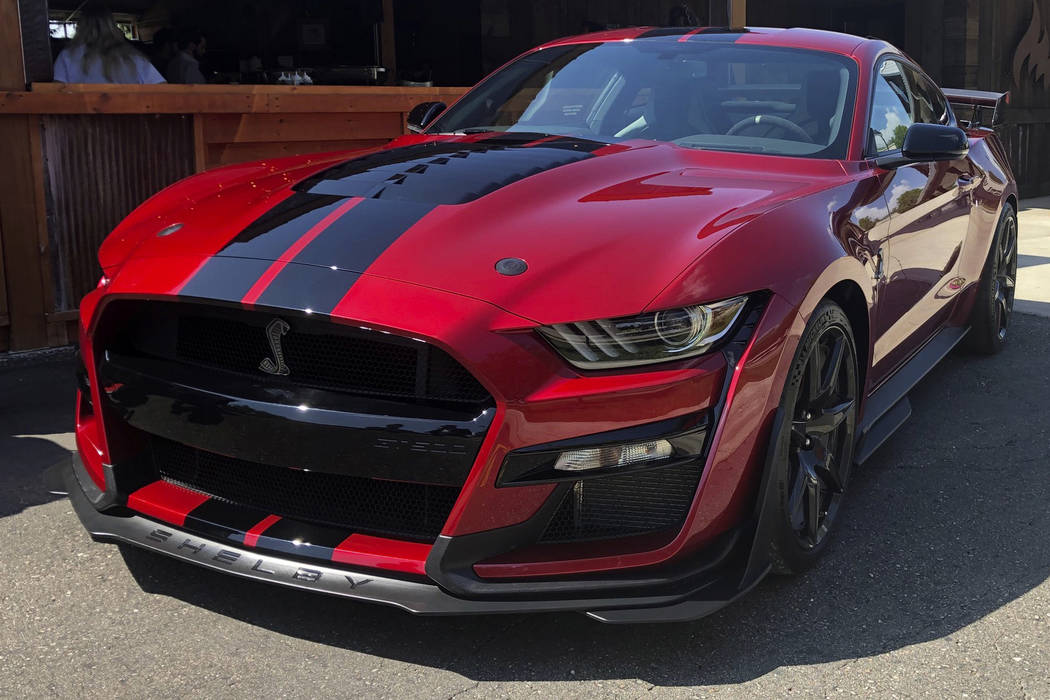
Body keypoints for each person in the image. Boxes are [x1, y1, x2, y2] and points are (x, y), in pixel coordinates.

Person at [53, 3, 165, 84]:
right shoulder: (133, 57)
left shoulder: (67, 56)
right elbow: (161, 88)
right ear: (112, 26)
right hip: (128, 115)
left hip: (83, 116)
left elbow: (56, 95)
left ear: (81, 27)